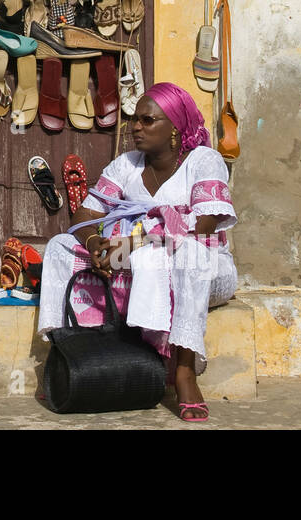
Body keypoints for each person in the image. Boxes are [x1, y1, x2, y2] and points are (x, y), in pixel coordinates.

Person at [37, 82, 238, 422]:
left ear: (175, 128)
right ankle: (67, 357)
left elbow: (202, 228)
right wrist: (94, 244)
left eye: (148, 121)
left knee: (186, 253)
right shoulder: (126, 164)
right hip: (134, 263)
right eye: (134, 120)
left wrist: (133, 246)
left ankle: (183, 370)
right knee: (59, 248)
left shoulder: (204, 160)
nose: (136, 127)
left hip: (202, 269)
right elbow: (85, 215)